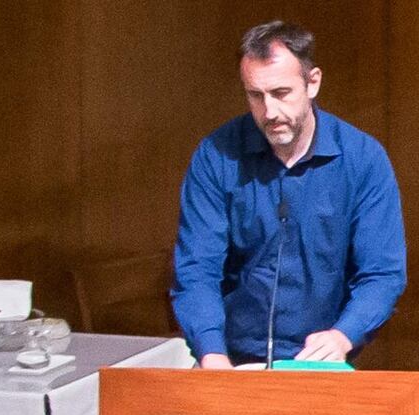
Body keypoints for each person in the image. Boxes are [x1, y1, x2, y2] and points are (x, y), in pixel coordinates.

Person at [171, 20, 406, 369]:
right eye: (255, 95)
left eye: (281, 93)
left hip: (321, 360)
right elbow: (196, 268)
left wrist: (343, 335)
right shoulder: (216, 155)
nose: (269, 112)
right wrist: (211, 352)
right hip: (231, 359)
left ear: (312, 83)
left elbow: (382, 273)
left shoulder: (363, 158)